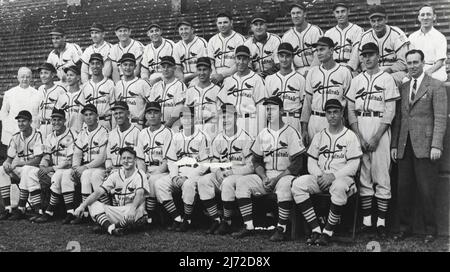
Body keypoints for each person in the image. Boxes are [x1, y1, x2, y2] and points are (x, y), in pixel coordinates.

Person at [391, 49, 447, 244]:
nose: (413, 66)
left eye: (416, 62)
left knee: (426, 190)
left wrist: (436, 145)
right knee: (403, 189)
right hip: (404, 145)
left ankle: (431, 230)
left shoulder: (436, 86)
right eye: (409, 63)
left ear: (423, 63)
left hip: (426, 146)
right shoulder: (403, 88)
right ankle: (405, 228)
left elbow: (440, 118)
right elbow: (399, 119)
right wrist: (395, 144)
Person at [345, 42, 400, 238]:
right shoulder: (356, 80)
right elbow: (350, 109)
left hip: (380, 127)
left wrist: (377, 136)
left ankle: (381, 223)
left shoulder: (387, 79)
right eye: (364, 55)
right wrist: (358, 136)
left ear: (378, 56)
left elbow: (391, 110)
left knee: (382, 176)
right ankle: (367, 222)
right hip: (361, 125)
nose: (367, 59)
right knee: (364, 177)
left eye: (370, 55)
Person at [233, 96, 306, 241]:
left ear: (281, 111)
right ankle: (249, 226)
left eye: (272, 109)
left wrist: (276, 179)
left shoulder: (291, 132)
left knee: (285, 186)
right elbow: (257, 161)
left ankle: (281, 229)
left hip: (285, 175)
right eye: (267, 109)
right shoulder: (263, 133)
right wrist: (264, 177)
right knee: (242, 182)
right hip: (266, 175)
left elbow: (297, 164)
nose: (269, 112)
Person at [292, 99, 362, 246]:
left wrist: (333, 177)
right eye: (329, 113)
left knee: (339, 186)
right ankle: (316, 229)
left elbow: (354, 165)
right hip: (321, 177)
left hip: (342, 178)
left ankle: (328, 232)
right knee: (298, 185)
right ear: (325, 115)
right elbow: (311, 161)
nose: (332, 116)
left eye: (336, 112)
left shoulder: (350, 136)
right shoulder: (319, 135)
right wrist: (319, 176)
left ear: (342, 113)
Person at [197, 103, 254, 235]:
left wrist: (232, 172)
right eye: (222, 116)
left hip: (240, 174)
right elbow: (214, 162)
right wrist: (217, 171)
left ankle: (227, 221)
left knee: (228, 182)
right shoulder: (217, 138)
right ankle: (216, 220)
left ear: (235, 117)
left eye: (228, 116)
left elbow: (251, 166)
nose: (225, 120)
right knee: (203, 181)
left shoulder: (245, 137)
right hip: (222, 174)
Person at [74, 146, 149, 236]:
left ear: (135, 160)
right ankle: (112, 228)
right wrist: (82, 206)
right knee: (92, 204)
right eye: (124, 158)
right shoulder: (116, 175)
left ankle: (108, 226)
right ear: (120, 160)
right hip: (117, 211)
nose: (126, 161)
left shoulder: (140, 174)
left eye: (129, 158)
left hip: (132, 210)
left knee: (140, 210)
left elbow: (140, 194)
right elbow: (98, 192)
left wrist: (132, 210)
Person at [157, 106, 210, 232]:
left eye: (189, 117)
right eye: (183, 117)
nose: (186, 120)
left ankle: (187, 219)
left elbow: (205, 163)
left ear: (194, 118)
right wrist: (175, 176)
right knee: (159, 184)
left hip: (195, 174)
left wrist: (188, 177)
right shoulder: (175, 137)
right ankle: (177, 218)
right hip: (178, 173)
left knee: (188, 185)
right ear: (180, 119)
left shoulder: (202, 136)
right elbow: (171, 160)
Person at [26, 108, 77, 224]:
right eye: (53, 120)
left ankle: (49, 212)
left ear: (65, 120)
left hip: (67, 170)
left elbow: (70, 161)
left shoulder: (73, 134)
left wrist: (50, 168)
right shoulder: (49, 137)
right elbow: (46, 156)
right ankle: (38, 210)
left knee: (58, 175)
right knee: (32, 173)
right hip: (53, 169)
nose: (56, 122)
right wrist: (43, 166)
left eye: (59, 120)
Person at [300, 37, 352, 146]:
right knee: (314, 158)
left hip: (335, 120)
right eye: (317, 50)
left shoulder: (344, 72)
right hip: (315, 119)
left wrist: (347, 125)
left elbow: (349, 104)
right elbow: (307, 102)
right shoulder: (312, 72)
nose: (318, 53)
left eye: (322, 49)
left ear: (332, 51)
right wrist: (304, 128)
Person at [69, 104, 109, 224]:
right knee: (86, 175)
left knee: (92, 175)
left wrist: (85, 167)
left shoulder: (104, 131)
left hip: (100, 167)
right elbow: (77, 154)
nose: (88, 117)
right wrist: (75, 168)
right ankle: (86, 213)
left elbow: (102, 157)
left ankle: (105, 211)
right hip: (86, 168)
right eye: (86, 115)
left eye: (91, 114)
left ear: (97, 116)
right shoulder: (82, 133)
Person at [348, 5, 409, 85]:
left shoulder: (397, 34)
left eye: (379, 20)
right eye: (373, 21)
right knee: (352, 78)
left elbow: (403, 62)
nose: (376, 24)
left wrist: (387, 71)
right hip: (371, 70)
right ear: (369, 21)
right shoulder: (365, 36)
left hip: (393, 71)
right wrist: (369, 71)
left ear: (386, 19)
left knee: (387, 80)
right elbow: (361, 60)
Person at [0, 111, 44, 220]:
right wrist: (6, 164)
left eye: (24, 121)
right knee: (1, 169)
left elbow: (38, 160)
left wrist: (20, 163)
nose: (21, 124)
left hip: (34, 170)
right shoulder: (15, 137)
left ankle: (21, 208)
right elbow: (9, 159)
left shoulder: (38, 135)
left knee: (26, 169)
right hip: (20, 170)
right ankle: (8, 209)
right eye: (19, 121)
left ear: (30, 122)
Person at [136, 101, 173, 227]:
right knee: (140, 178)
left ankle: (150, 216)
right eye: (149, 113)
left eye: (155, 113)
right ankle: (141, 214)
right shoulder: (142, 133)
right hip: (147, 169)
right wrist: (142, 173)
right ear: (145, 116)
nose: (152, 116)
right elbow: (140, 159)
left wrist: (154, 173)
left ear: (161, 115)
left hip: (163, 170)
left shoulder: (168, 132)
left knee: (152, 181)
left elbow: (168, 160)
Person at [217, 45, 267, 138]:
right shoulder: (228, 80)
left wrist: (260, 132)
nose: (241, 62)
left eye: (244, 59)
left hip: (249, 121)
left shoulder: (257, 79)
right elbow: (221, 108)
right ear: (235, 59)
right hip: (230, 122)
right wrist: (221, 129)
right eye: (238, 58)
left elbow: (261, 108)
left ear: (249, 60)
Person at [0, 67, 41, 159]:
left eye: (27, 77)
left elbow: (39, 113)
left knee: (29, 159)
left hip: (31, 132)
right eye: (22, 77)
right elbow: (3, 113)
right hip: (13, 130)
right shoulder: (9, 93)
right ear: (18, 78)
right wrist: (9, 128)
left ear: (31, 78)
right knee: (12, 159)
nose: (25, 79)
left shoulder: (38, 94)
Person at [265, 42, 305, 132]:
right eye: (282, 56)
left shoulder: (300, 79)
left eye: (287, 56)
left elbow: (304, 107)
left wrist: (303, 127)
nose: (284, 59)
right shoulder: (270, 79)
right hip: (275, 119)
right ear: (278, 57)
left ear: (292, 57)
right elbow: (266, 106)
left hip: (293, 118)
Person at [112, 53, 152, 129]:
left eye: (131, 65)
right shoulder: (118, 85)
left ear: (135, 67)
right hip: (120, 126)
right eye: (125, 65)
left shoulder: (142, 83)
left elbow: (151, 104)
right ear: (121, 66)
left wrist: (144, 117)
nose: (128, 67)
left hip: (137, 124)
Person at [282, 3, 323, 78]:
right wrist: (294, 74)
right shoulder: (286, 36)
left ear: (305, 14)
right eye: (293, 13)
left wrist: (310, 72)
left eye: (298, 13)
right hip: (295, 72)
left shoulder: (315, 31)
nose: (295, 16)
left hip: (316, 70)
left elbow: (319, 55)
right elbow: (287, 59)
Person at [408, 5, 448, 82]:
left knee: (429, 81)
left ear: (434, 17)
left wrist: (429, 71)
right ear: (419, 18)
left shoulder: (440, 37)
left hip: (435, 70)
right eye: (422, 15)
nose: (425, 17)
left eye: (428, 14)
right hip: (417, 69)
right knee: (405, 80)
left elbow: (440, 61)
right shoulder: (412, 37)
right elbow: (410, 58)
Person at [185, 57, 221, 140]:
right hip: (195, 128)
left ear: (210, 71)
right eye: (199, 70)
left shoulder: (217, 90)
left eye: (205, 69)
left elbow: (221, 114)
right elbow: (187, 115)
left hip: (212, 128)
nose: (202, 73)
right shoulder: (190, 91)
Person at [147, 56, 187, 132]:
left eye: (169, 67)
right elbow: (151, 106)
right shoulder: (156, 86)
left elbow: (179, 109)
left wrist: (167, 124)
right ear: (160, 68)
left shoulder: (180, 85)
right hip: (156, 125)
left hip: (174, 125)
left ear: (174, 68)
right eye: (163, 67)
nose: (166, 69)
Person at [207, 12, 246, 84]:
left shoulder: (239, 39)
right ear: (216, 24)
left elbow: (241, 63)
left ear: (231, 23)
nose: (222, 25)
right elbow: (211, 62)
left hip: (234, 74)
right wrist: (214, 75)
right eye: (220, 23)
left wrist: (223, 75)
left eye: (225, 22)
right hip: (215, 74)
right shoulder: (212, 40)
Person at [105, 101, 140, 177]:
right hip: (113, 170)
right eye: (116, 113)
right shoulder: (111, 134)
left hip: (130, 171)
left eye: (121, 113)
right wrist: (108, 167)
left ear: (127, 114)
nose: (118, 116)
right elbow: (108, 158)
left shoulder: (137, 132)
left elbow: (139, 159)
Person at [81, 53, 115, 130]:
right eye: (92, 64)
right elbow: (82, 110)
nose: (95, 66)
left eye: (98, 63)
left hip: (104, 122)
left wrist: (114, 128)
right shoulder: (85, 85)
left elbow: (113, 109)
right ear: (89, 66)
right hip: (88, 124)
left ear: (102, 65)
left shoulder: (110, 84)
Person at [244, 14, 281, 78]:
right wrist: (255, 76)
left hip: (274, 76)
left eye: (261, 24)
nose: (258, 27)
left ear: (266, 26)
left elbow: (279, 64)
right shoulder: (247, 44)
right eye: (256, 25)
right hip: (254, 78)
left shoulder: (275, 40)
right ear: (251, 27)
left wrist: (263, 75)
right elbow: (246, 67)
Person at [37, 63, 67, 139]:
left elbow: (65, 112)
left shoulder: (60, 90)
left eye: (46, 73)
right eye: (41, 73)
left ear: (53, 75)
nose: (43, 76)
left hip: (54, 126)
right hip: (41, 127)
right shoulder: (40, 89)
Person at [172, 20, 208, 85]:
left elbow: (204, 67)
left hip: (199, 75)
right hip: (183, 76)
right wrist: (181, 78)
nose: (183, 32)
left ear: (192, 30)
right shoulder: (176, 46)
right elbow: (177, 67)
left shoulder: (201, 42)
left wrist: (187, 79)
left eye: (186, 29)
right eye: (181, 29)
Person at [55, 66, 84, 134]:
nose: (68, 77)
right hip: (64, 135)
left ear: (78, 77)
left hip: (79, 133)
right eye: (67, 75)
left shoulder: (83, 95)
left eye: (71, 75)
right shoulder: (62, 96)